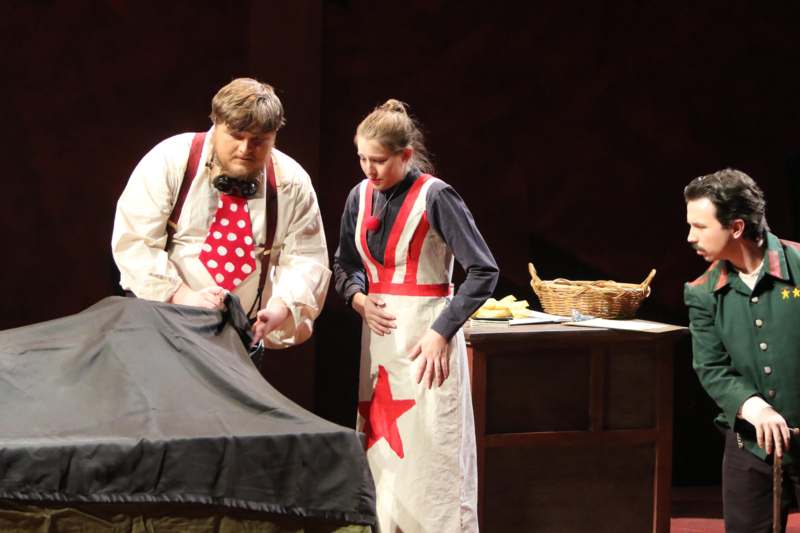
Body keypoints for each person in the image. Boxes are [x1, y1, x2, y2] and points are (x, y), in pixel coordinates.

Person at [333, 99, 498, 532]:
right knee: (384, 453)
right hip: (381, 344)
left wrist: (442, 332)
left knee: (431, 451)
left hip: (427, 340)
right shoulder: (359, 195)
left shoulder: (436, 196)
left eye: (380, 161)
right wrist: (358, 298)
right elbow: (345, 264)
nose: (369, 169)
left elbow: (483, 271)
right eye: (362, 159)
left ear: (405, 155)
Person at [112, 78, 330, 348]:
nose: (245, 149)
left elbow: (306, 260)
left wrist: (281, 308)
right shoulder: (171, 160)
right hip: (165, 328)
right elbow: (135, 241)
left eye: (258, 141)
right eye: (236, 137)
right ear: (216, 125)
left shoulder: (291, 183)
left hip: (237, 340)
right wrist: (183, 295)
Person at [684, 168, 800, 532]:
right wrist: (756, 408)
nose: (690, 237)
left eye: (700, 227)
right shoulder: (703, 291)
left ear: (735, 228)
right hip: (749, 446)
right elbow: (711, 366)